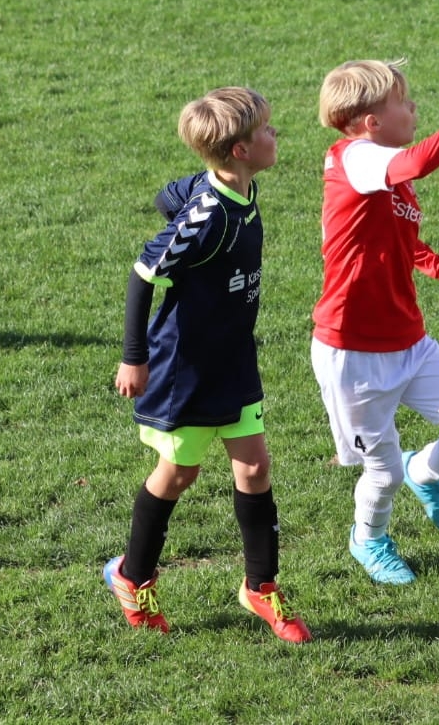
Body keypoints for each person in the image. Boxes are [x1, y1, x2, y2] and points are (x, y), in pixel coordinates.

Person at [104, 87, 311, 643]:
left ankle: (260, 587)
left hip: (233, 357)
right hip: (186, 370)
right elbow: (143, 276)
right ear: (240, 151)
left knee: (255, 469)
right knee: (180, 474)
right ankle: (131, 577)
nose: (274, 135)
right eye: (266, 130)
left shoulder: (238, 186)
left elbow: (167, 193)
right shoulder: (208, 216)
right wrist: (134, 357)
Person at [311, 60, 439, 584]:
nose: (413, 107)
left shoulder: (382, 172)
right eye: (403, 101)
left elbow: (399, 241)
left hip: (408, 339)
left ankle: (422, 472)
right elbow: (421, 161)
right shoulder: (357, 158)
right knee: (380, 472)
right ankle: (369, 539)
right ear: (371, 121)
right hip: (353, 350)